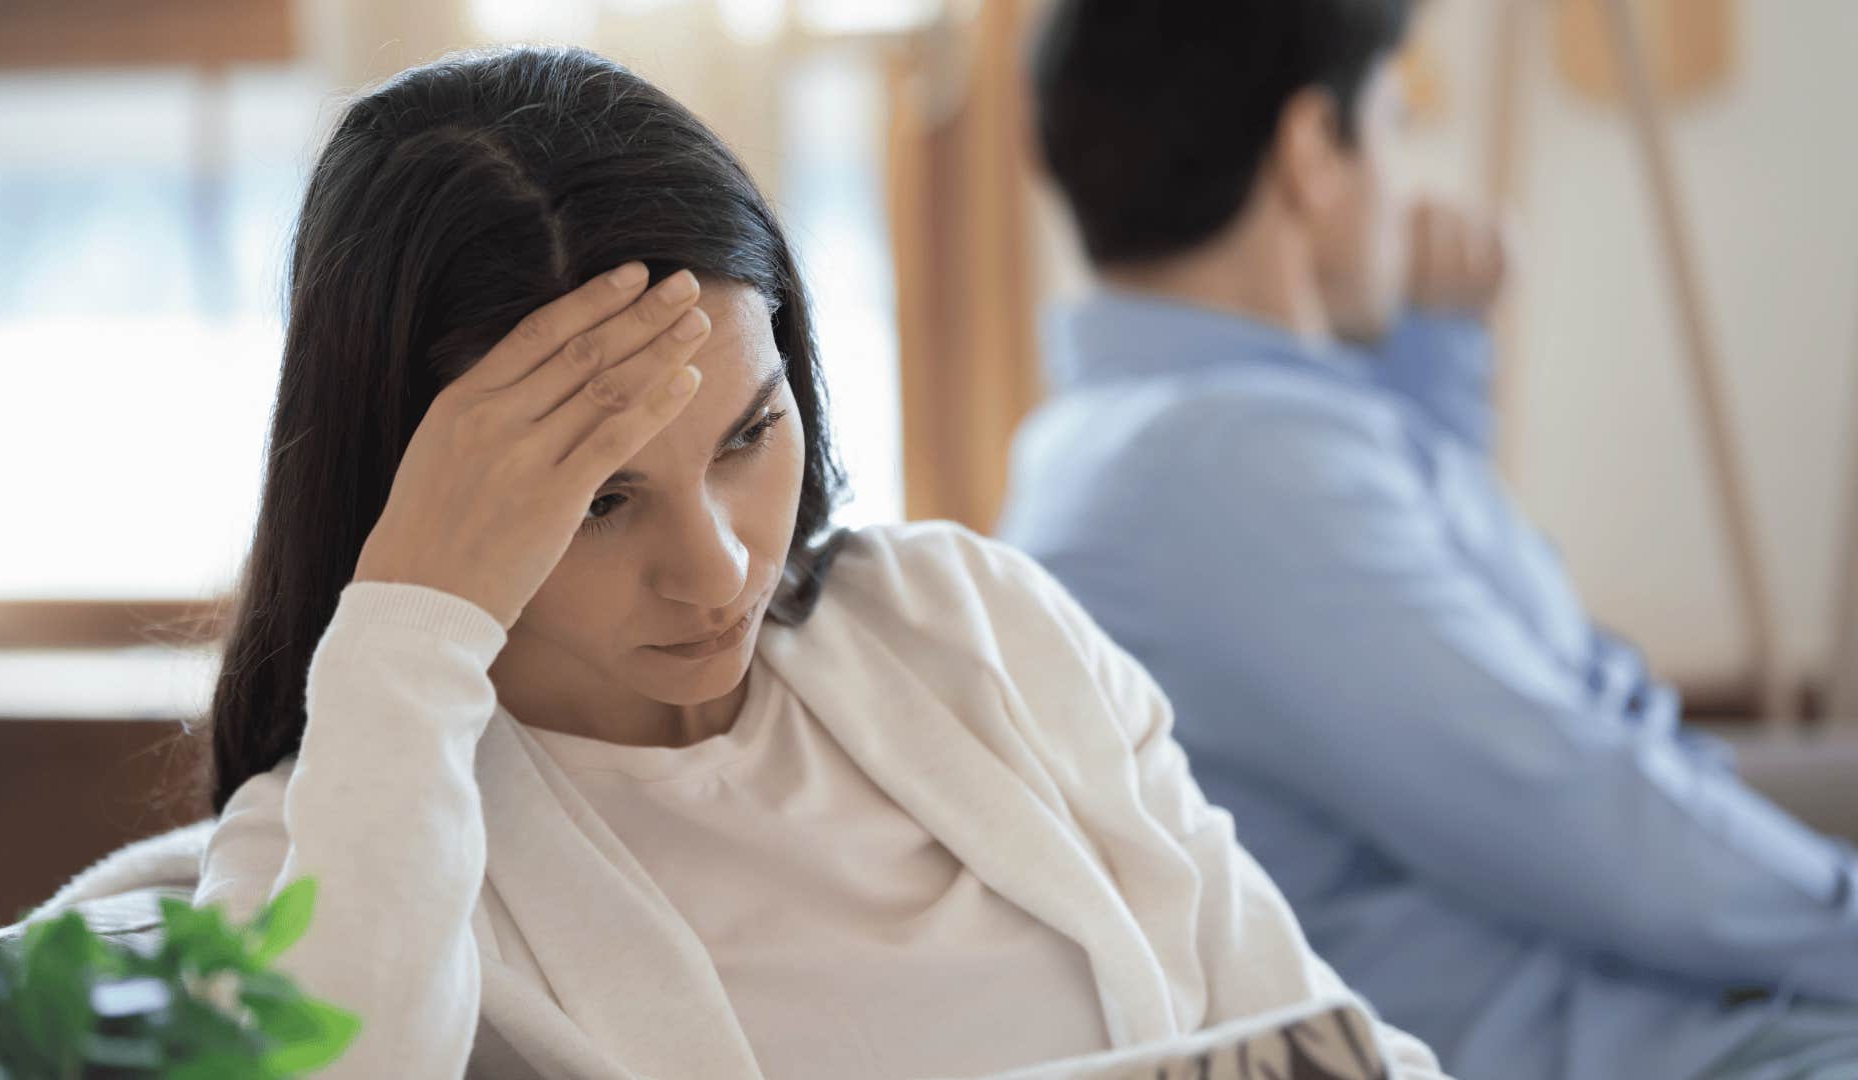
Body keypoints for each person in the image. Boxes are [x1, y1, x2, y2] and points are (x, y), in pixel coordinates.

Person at [186, 45, 1445, 1080]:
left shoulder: (974, 624)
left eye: (749, 434)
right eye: (599, 500)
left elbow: (1314, 1036)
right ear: (422, 505)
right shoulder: (329, 849)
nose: (718, 566)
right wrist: (411, 626)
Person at [997, 3, 1858, 1079]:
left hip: (1653, 990)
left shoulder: (1153, 433)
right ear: (1312, 152)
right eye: (1396, 123)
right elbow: (1574, 807)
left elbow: (1466, 637)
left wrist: (1430, 349)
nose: (1408, 188)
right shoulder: (1229, 471)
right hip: (1654, 1034)